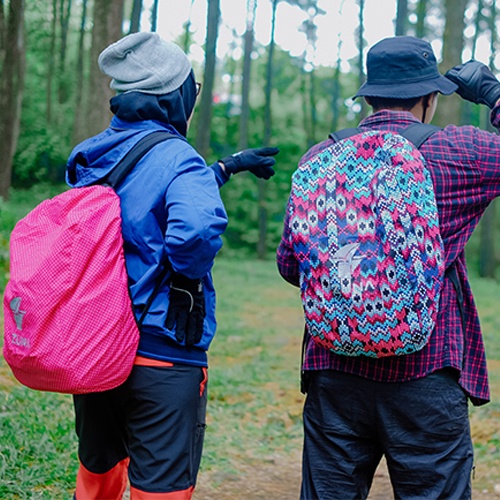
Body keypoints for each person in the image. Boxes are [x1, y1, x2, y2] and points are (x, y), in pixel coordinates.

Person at [277, 35, 500, 499]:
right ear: (429, 98)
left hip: (333, 367)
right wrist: (493, 94)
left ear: (369, 95)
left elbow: (291, 263)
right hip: (426, 369)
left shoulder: (320, 159)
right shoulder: (460, 152)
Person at [67, 32, 278, 499]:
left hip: (95, 346)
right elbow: (195, 231)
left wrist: (225, 168)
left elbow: (137, 199)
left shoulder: (90, 154)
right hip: (161, 349)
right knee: (161, 487)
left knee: (99, 473)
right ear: (174, 95)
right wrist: (185, 277)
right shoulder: (180, 158)